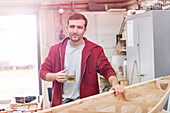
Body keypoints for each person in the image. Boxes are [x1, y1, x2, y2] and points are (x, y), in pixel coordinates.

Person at [40, 13, 124, 107]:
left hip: (87, 106)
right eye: (72, 27)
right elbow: (43, 72)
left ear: (85, 30)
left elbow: (107, 69)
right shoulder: (55, 50)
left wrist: (115, 83)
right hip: (61, 106)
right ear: (67, 28)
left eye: (79, 27)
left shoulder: (95, 50)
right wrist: (55, 76)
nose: (75, 31)